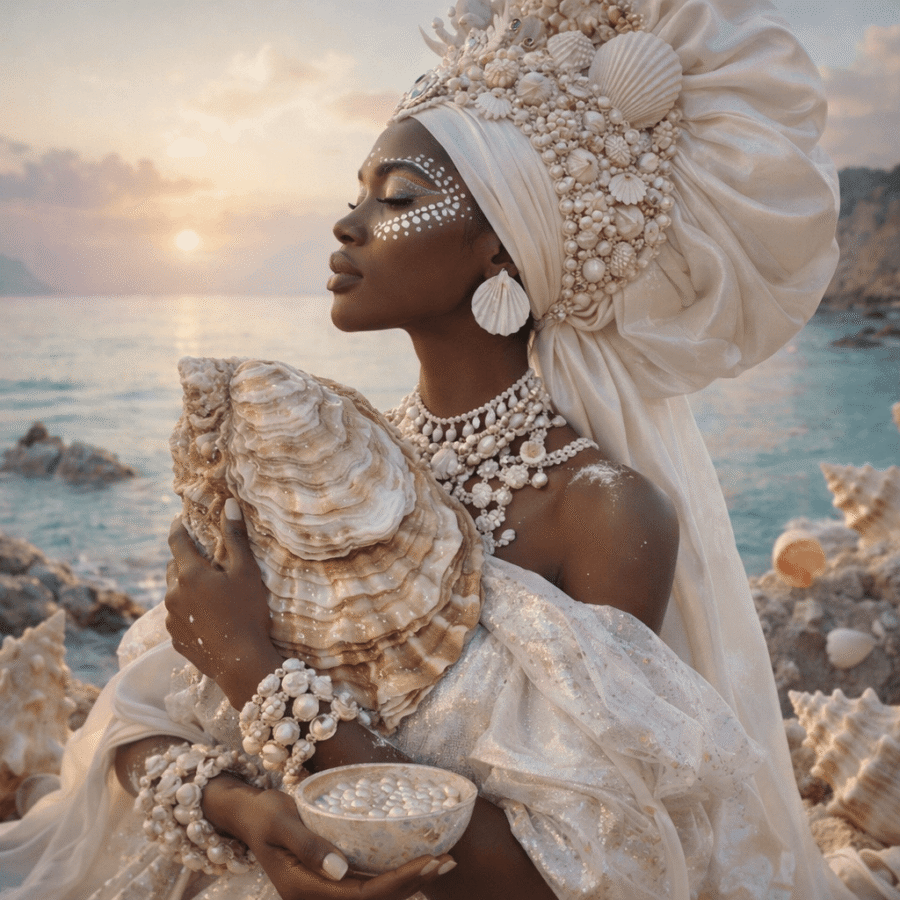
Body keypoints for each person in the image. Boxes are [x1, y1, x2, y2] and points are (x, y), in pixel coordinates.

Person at [0, 0, 859, 897]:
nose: (348, 224)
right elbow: (138, 720)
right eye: (356, 194)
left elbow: (570, 869)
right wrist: (250, 817)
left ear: (499, 249)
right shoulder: (329, 471)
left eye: (399, 197)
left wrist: (255, 668)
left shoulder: (605, 511)